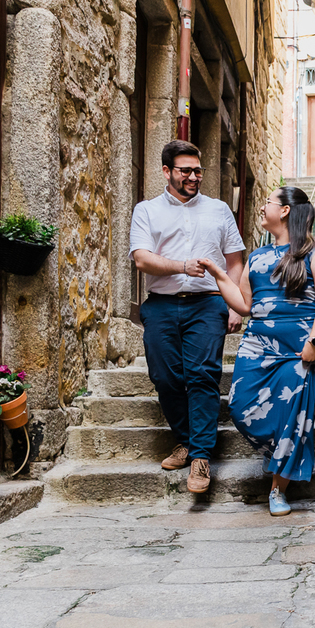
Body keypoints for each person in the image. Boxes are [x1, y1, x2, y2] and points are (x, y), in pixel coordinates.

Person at [199, 186, 315, 516]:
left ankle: (278, 488)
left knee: (293, 417)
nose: (262, 208)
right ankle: (282, 452)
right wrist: (221, 275)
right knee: (240, 406)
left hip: (302, 348)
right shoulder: (258, 257)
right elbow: (245, 305)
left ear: (286, 211)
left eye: (268, 203)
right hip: (258, 344)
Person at [128, 139, 245, 494]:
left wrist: (233, 303)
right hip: (161, 306)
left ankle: (201, 457)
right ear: (167, 172)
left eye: (198, 170)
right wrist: (181, 266)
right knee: (164, 376)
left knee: (202, 375)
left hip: (208, 304)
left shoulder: (219, 209)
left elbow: (235, 260)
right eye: (186, 171)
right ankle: (186, 439)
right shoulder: (146, 211)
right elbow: (142, 259)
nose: (194, 176)